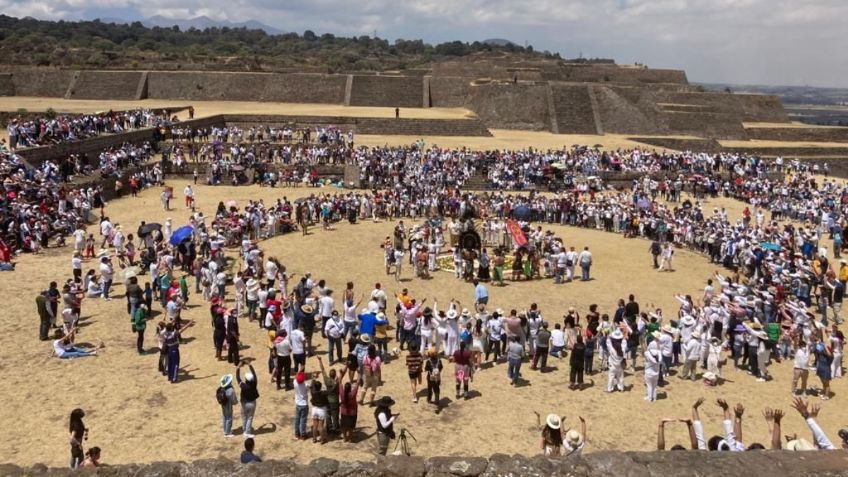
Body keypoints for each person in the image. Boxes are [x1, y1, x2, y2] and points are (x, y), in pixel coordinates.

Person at [237, 363, 259, 438]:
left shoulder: (243, 386)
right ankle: (247, 432)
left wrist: (238, 368)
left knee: (244, 417)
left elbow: (238, 378)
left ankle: (244, 430)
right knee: (250, 417)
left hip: (244, 403)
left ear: (246, 379)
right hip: (252, 403)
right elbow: (254, 374)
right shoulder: (255, 383)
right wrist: (250, 365)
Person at [339, 375, 359, 443]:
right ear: (350, 388)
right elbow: (357, 384)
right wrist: (359, 375)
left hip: (344, 412)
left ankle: (344, 438)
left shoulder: (342, 393)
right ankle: (350, 439)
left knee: (344, 426)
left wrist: (340, 374)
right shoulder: (352, 394)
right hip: (352, 412)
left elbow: (339, 382)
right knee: (350, 427)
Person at [293, 367, 309, 440]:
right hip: (304, 404)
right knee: (303, 420)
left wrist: (299, 371)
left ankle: (297, 434)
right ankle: (303, 434)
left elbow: (296, 377)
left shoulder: (295, 383)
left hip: (298, 404)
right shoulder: (306, 385)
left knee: (297, 419)